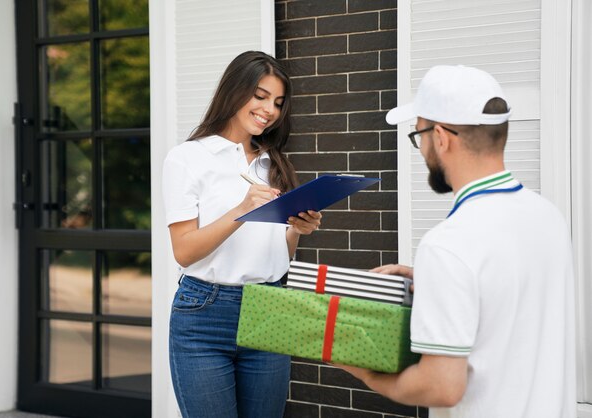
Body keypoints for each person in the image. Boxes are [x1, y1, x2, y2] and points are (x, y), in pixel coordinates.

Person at [338, 65, 576, 417]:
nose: (421, 149)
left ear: (441, 138)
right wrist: (440, 284)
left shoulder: (449, 245)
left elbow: (442, 387)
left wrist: (363, 371)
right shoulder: (549, 217)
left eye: (418, 135)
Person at [161, 51, 322, 418]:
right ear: (235, 91)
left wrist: (297, 229)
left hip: (270, 304)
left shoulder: (276, 163)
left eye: (278, 103)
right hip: (205, 314)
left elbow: (278, 254)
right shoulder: (188, 158)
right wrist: (239, 211)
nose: (269, 110)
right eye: (261, 96)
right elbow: (184, 252)